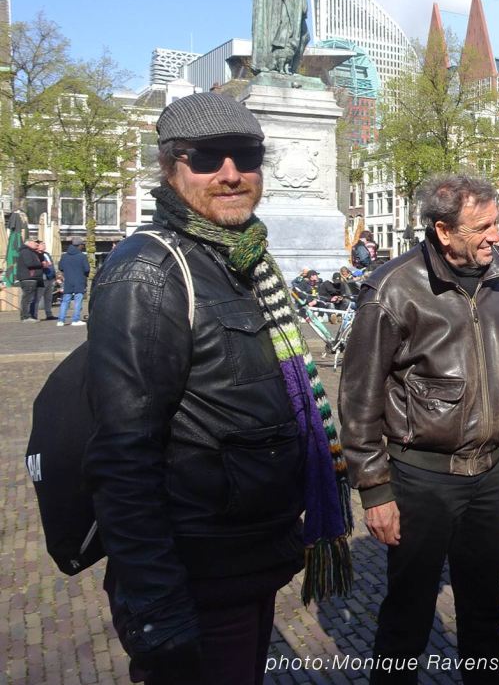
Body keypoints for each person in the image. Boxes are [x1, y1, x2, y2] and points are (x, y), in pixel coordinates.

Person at [84, 92, 352, 685]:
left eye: (245, 155)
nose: (230, 173)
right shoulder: (149, 273)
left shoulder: (244, 261)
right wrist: (158, 611)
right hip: (198, 574)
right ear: (170, 167)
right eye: (207, 158)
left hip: (248, 561)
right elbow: (123, 455)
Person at [339, 174, 499, 685]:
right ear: (444, 231)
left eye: (496, 223)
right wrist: (375, 490)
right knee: (409, 611)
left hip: (489, 470)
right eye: (482, 227)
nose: (496, 235)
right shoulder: (393, 288)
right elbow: (359, 396)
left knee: (484, 608)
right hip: (422, 476)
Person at [57, 237, 90, 326]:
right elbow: (87, 269)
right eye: (82, 245)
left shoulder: (64, 256)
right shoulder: (82, 256)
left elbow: (60, 267)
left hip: (68, 280)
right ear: (79, 245)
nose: (83, 247)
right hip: (79, 280)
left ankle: (61, 320)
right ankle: (75, 320)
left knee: (65, 301)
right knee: (78, 300)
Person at [17, 237, 45, 321]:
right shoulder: (26, 251)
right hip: (28, 277)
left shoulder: (32, 252)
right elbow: (29, 263)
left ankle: (29, 316)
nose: (37, 244)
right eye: (35, 242)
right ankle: (25, 316)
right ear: (29, 242)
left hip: (33, 278)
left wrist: (40, 252)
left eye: (38, 242)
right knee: (28, 298)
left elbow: (40, 259)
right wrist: (41, 264)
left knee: (31, 298)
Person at [38, 240, 57, 320]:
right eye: (42, 244)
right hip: (43, 278)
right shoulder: (37, 254)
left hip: (50, 278)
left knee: (49, 297)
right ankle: (34, 314)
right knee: (38, 297)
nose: (44, 245)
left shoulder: (47, 254)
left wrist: (54, 276)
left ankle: (49, 314)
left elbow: (51, 265)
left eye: (44, 244)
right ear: (38, 246)